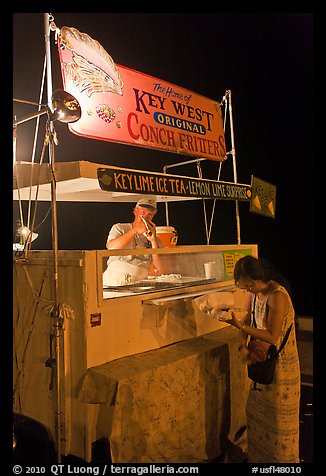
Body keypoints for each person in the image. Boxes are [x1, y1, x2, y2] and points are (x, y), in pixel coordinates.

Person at [221, 255, 300, 463]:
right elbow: (247, 319)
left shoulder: (277, 296)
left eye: (248, 286)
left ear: (256, 279)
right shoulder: (254, 294)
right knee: (257, 414)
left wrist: (240, 327)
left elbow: (272, 336)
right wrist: (242, 345)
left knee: (278, 419)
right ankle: (259, 459)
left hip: (279, 364)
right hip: (261, 360)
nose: (248, 291)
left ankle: (281, 461)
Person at [103, 197, 164, 286]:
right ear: (135, 211)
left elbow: (160, 269)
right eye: (143, 212)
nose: (146, 217)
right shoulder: (120, 228)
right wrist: (134, 231)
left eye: (150, 214)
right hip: (115, 279)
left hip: (140, 282)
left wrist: (153, 241)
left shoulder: (155, 238)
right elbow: (111, 248)